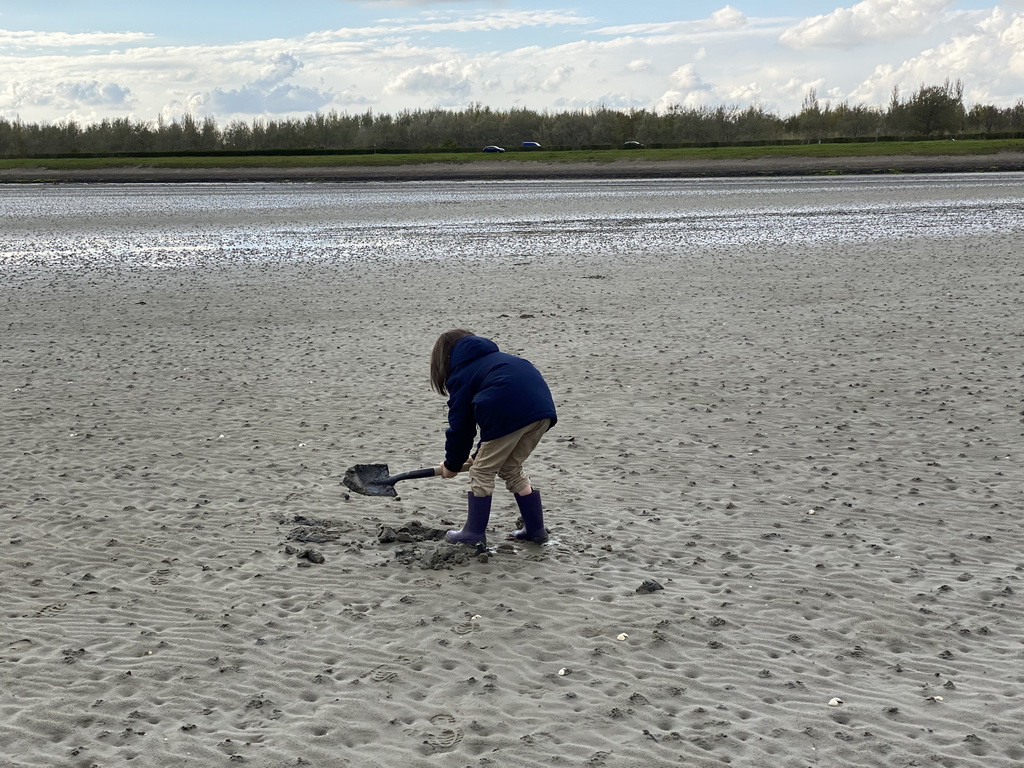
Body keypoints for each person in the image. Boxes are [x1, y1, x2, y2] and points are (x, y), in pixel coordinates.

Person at [430, 329, 557, 545]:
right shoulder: (497, 360)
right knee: (510, 467)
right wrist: (476, 455)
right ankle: (536, 529)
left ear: (444, 357)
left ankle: (473, 533)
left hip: (508, 412)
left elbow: (462, 426)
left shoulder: (462, 373)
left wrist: (452, 464)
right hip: (542, 412)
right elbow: (495, 429)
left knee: (482, 471)